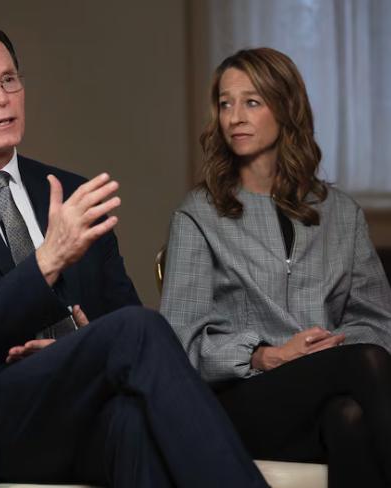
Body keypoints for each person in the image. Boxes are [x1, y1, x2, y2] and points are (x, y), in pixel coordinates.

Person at [0, 25, 268, 488]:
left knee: (133, 423)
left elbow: (119, 318)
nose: (2, 98)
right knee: (139, 333)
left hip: (77, 406)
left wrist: (77, 342)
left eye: (9, 80)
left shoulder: (71, 191)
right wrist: (48, 260)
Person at [160, 47, 391, 488]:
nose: (234, 117)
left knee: (349, 417)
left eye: (252, 101)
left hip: (328, 392)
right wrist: (266, 355)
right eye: (225, 103)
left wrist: (329, 348)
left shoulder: (341, 214)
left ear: (286, 107)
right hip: (240, 405)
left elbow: (378, 322)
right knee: (363, 364)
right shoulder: (198, 215)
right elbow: (180, 345)